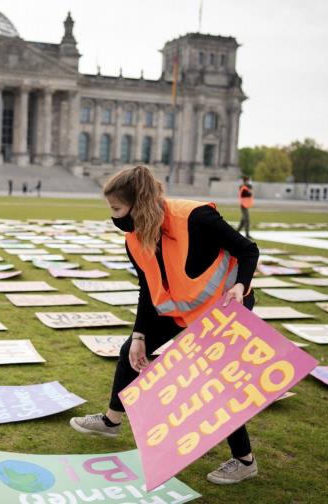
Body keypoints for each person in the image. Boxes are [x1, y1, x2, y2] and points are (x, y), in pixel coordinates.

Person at [69, 165, 261, 485]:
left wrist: (240, 286)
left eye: (117, 208)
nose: (114, 217)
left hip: (226, 306)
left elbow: (248, 250)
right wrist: (140, 334)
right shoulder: (134, 238)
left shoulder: (196, 218)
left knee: (214, 380)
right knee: (131, 350)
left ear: (139, 203)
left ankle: (245, 460)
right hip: (181, 309)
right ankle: (112, 421)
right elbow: (149, 287)